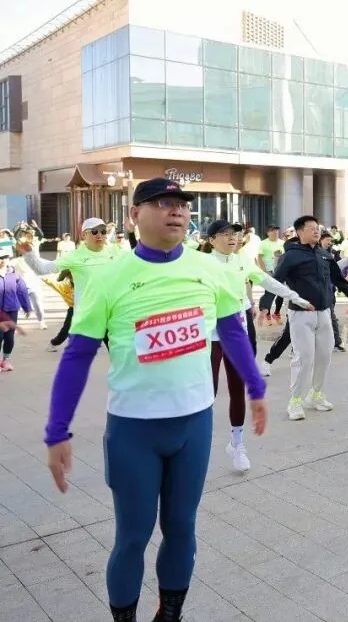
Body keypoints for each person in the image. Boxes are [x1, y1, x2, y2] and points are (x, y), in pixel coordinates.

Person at [42, 177, 268, 622]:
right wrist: (57, 431)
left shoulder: (212, 270)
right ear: (134, 214)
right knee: (133, 535)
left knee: (182, 528)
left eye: (182, 204)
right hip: (134, 430)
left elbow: (232, 330)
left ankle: (170, 615)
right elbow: (78, 355)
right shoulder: (109, 277)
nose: (177, 211)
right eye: (162, 203)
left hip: (194, 425)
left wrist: (256, 388)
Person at [201, 220, 310, 470]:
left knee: (237, 387)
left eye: (234, 234)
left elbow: (268, 282)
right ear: (211, 240)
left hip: (237, 332)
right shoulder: (202, 263)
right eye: (224, 234)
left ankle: (237, 443)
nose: (232, 238)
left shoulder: (242, 259)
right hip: (210, 334)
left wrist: (294, 297)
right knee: (208, 391)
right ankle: (198, 443)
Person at [261, 215, 348, 420]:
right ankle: (295, 401)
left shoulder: (324, 254)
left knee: (325, 356)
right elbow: (276, 282)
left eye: (317, 228)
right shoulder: (290, 256)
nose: (317, 231)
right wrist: (265, 306)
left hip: (324, 312)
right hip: (301, 315)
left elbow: (338, 279)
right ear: (300, 232)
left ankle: (316, 395)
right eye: (311, 228)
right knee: (304, 358)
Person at [19, 217, 126, 351]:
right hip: (88, 316)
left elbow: (137, 263)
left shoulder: (115, 251)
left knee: (121, 354)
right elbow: (42, 269)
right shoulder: (74, 256)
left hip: (111, 313)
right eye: (94, 232)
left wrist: (133, 232)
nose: (99, 235)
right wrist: (29, 255)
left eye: (103, 231)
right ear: (84, 235)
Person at [0, 254, 31, 370]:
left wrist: (27, 307)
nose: (2, 260)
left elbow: (22, 292)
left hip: (11, 310)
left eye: (4, 258)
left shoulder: (15, 276)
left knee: (9, 337)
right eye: (0, 258)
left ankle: (6, 360)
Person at [9, 244, 47, 329]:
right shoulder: (17, 261)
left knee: (37, 304)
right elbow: (7, 265)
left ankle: (42, 322)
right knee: (15, 306)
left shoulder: (36, 260)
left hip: (32, 287)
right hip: (20, 288)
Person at [257, 226, 286, 323]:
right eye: (273, 231)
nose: (275, 232)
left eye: (276, 231)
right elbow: (259, 257)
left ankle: (277, 313)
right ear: (268, 232)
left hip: (280, 271)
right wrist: (264, 270)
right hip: (269, 271)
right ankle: (267, 313)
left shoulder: (282, 243)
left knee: (281, 292)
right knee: (269, 292)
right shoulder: (263, 243)